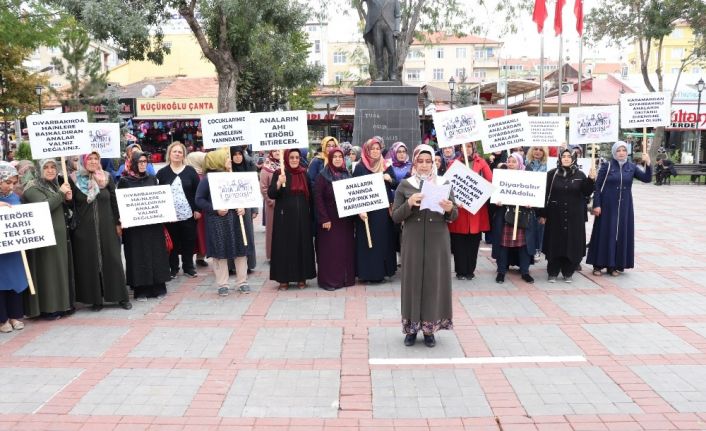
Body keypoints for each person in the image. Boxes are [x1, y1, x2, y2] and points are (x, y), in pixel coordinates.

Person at [392, 144, 457, 348]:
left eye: (428, 161)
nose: (424, 165)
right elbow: (395, 216)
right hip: (413, 238)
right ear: (415, 162)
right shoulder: (405, 184)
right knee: (412, 280)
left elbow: (454, 216)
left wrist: (449, 208)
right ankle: (411, 329)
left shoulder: (444, 183)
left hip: (438, 239)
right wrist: (409, 203)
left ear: (433, 163)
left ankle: (430, 330)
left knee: (433, 281)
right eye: (420, 161)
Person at [69, 151, 131, 311]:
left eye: (96, 158)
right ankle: (95, 299)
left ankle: (121, 297)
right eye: (90, 158)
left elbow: (114, 200)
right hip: (84, 230)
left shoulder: (107, 177)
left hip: (108, 227)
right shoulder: (74, 179)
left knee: (113, 259)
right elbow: (70, 206)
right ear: (84, 161)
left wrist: (118, 222)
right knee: (90, 263)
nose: (93, 161)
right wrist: (67, 197)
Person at [587, 141, 652, 276]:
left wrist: (649, 164)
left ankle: (614, 265)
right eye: (619, 150)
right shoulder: (607, 166)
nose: (621, 153)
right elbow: (597, 187)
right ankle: (598, 265)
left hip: (624, 207)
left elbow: (647, 179)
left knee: (619, 234)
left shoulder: (632, 167)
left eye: (624, 150)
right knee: (604, 233)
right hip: (607, 206)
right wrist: (597, 204)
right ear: (614, 152)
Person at [195, 149, 253, 296]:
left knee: (241, 249)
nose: (230, 160)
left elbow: (243, 196)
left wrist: (243, 207)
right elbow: (199, 200)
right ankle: (223, 284)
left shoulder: (233, 176)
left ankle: (242, 281)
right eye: (226, 158)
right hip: (217, 222)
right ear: (218, 161)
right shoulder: (208, 180)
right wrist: (215, 209)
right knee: (220, 252)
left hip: (236, 219)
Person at [22, 159, 74, 318]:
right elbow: (44, 207)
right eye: (46, 167)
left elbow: (59, 205)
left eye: (53, 167)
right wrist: (60, 194)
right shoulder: (32, 188)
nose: (51, 170)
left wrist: (67, 198)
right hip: (44, 239)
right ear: (39, 169)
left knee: (58, 271)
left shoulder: (52, 185)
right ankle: (49, 309)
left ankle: (62, 305)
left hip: (58, 237)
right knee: (49, 273)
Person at [117, 151, 171, 300]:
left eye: (144, 162)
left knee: (156, 254)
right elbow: (120, 204)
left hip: (153, 226)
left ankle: (158, 287)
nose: (142, 164)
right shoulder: (125, 181)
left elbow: (159, 200)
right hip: (135, 229)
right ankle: (141, 290)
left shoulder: (152, 179)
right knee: (138, 256)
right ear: (133, 163)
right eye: (139, 162)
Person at [538, 149, 596, 282]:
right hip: (555, 215)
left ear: (573, 159)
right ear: (559, 158)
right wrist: (542, 214)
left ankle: (568, 271)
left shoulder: (580, 175)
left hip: (574, 217)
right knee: (555, 243)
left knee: (572, 244)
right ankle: (552, 271)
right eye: (563, 156)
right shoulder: (552, 174)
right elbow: (544, 194)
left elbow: (587, 192)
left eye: (569, 156)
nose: (566, 158)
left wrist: (591, 180)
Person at [267, 149, 317, 289]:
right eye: (292, 157)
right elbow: (271, 194)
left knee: (302, 245)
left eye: (297, 157)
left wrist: (313, 216)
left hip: (302, 218)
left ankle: (302, 277)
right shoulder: (279, 173)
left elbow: (311, 196)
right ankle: (284, 279)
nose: (294, 160)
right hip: (284, 217)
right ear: (286, 158)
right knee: (284, 246)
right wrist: (278, 183)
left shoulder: (304, 173)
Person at [353, 137, 398, 283]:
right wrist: (360, 210)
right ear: (367, 150)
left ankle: (382, 271)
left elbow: (395, 183)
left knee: (382, 240)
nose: (375, 151)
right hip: (366, 212)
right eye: (372, 148)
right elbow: (355, 190)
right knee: (367, 241)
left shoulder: (385, 165)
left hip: (382, 211)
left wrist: (389, 178)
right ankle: (368, 273)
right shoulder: (360, 167)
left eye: (378, 149)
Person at [447, 142, 492, 280]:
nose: (466, 149)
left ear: (473, 148)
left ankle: (470, 270)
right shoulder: (453, 163)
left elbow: (490, 181)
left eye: (468, 147)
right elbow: (448, 183)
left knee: (473, 243)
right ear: (459, 149)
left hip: (476, 211)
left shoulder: (482, 163)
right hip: (459, 210)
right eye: (463, 147)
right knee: (458, 242)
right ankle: (460, 271)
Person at [156, 141, 201, 278]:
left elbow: (197, 191)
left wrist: (197, 209)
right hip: (170, 215)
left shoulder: (190, 171)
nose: (177, 154)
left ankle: (188, 267)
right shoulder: (162, 173)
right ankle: (173, 268)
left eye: (180, 152)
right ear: (169, 154)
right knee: (172, 242)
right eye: (174, 151)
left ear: (183, 155)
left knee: (189, 240)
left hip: (188, 214)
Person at [491, 152, 537, 284]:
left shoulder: (528, 177)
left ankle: (525, 272)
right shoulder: (500, 177)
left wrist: (531, 203)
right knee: (503, 245)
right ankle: (501, 271)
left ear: (520, 163)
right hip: (505, 215)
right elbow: (493, 195)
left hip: (522, 215)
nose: (510, 164)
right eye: (509, 161)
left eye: (514, 161)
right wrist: (497, 201)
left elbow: (533, 193)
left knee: (524, 245)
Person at [314, 147, 356, 290]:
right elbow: (318, 199)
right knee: (330, 251)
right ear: (330, 159)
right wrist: (324, 219)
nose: (338, 159)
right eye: (335, 157)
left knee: (345, 249)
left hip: (345, 221)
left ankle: (346, 279)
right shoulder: (322, 176)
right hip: (330, 220)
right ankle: (330, 281)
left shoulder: (347, 175)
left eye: (340, 156)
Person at [0, 162, 27, 333]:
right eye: (7, 182)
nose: (11, 186)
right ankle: (2, 320)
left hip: (14, 249)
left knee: (15, 280)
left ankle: (15, 316)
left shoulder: (16, 197)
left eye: (13, 182)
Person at [230, 146, 258, 274]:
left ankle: (249, 264)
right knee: (232, 234)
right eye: (234, 154)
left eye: (239, 154)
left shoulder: (249, 167)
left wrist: (254, 208)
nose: (237, 157)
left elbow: (254, 189)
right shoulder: (227, 170)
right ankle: (232, 265)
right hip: (231, 208)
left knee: (247, 234)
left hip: (246, 207)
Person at [362, 0, 401, 81]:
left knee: (392, 52)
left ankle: (392, 74)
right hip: (377, 27)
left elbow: (397, 16)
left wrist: (397, 29)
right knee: (378, 52)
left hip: (390, 28)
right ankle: (380, 74)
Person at [185, 151, 209, 267]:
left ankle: (200, 256)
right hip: (197, 210)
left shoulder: (203, 174)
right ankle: (199, 256)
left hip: (199, 210)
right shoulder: (195, 175)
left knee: (199, 234)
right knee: (197, 234)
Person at [525, 146, 548, 260]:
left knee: (540, 226)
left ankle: (537, 249)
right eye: (535, 149)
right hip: (527, 199)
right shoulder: (525, 164)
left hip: (541, 201)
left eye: (540, 150)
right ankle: (528, 250)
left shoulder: (548, 166)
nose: (537, 152)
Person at [259, 150, 280, 262]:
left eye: (279, 150)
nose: (277, 152)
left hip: (285, 204)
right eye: (275, 150)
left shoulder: (285, 164)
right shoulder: (266, 167)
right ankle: (272, 255)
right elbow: (263, 188)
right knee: (272, 229)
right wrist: (271, 201)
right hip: (272, 204)